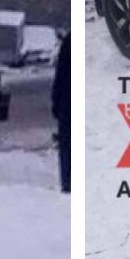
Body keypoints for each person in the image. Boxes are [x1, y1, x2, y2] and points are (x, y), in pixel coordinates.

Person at [52, 32, 70, 193]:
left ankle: (68, 184)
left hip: (67, 103)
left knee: (68, 147)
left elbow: (61, 75)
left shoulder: (69, 41)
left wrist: (56, 103)